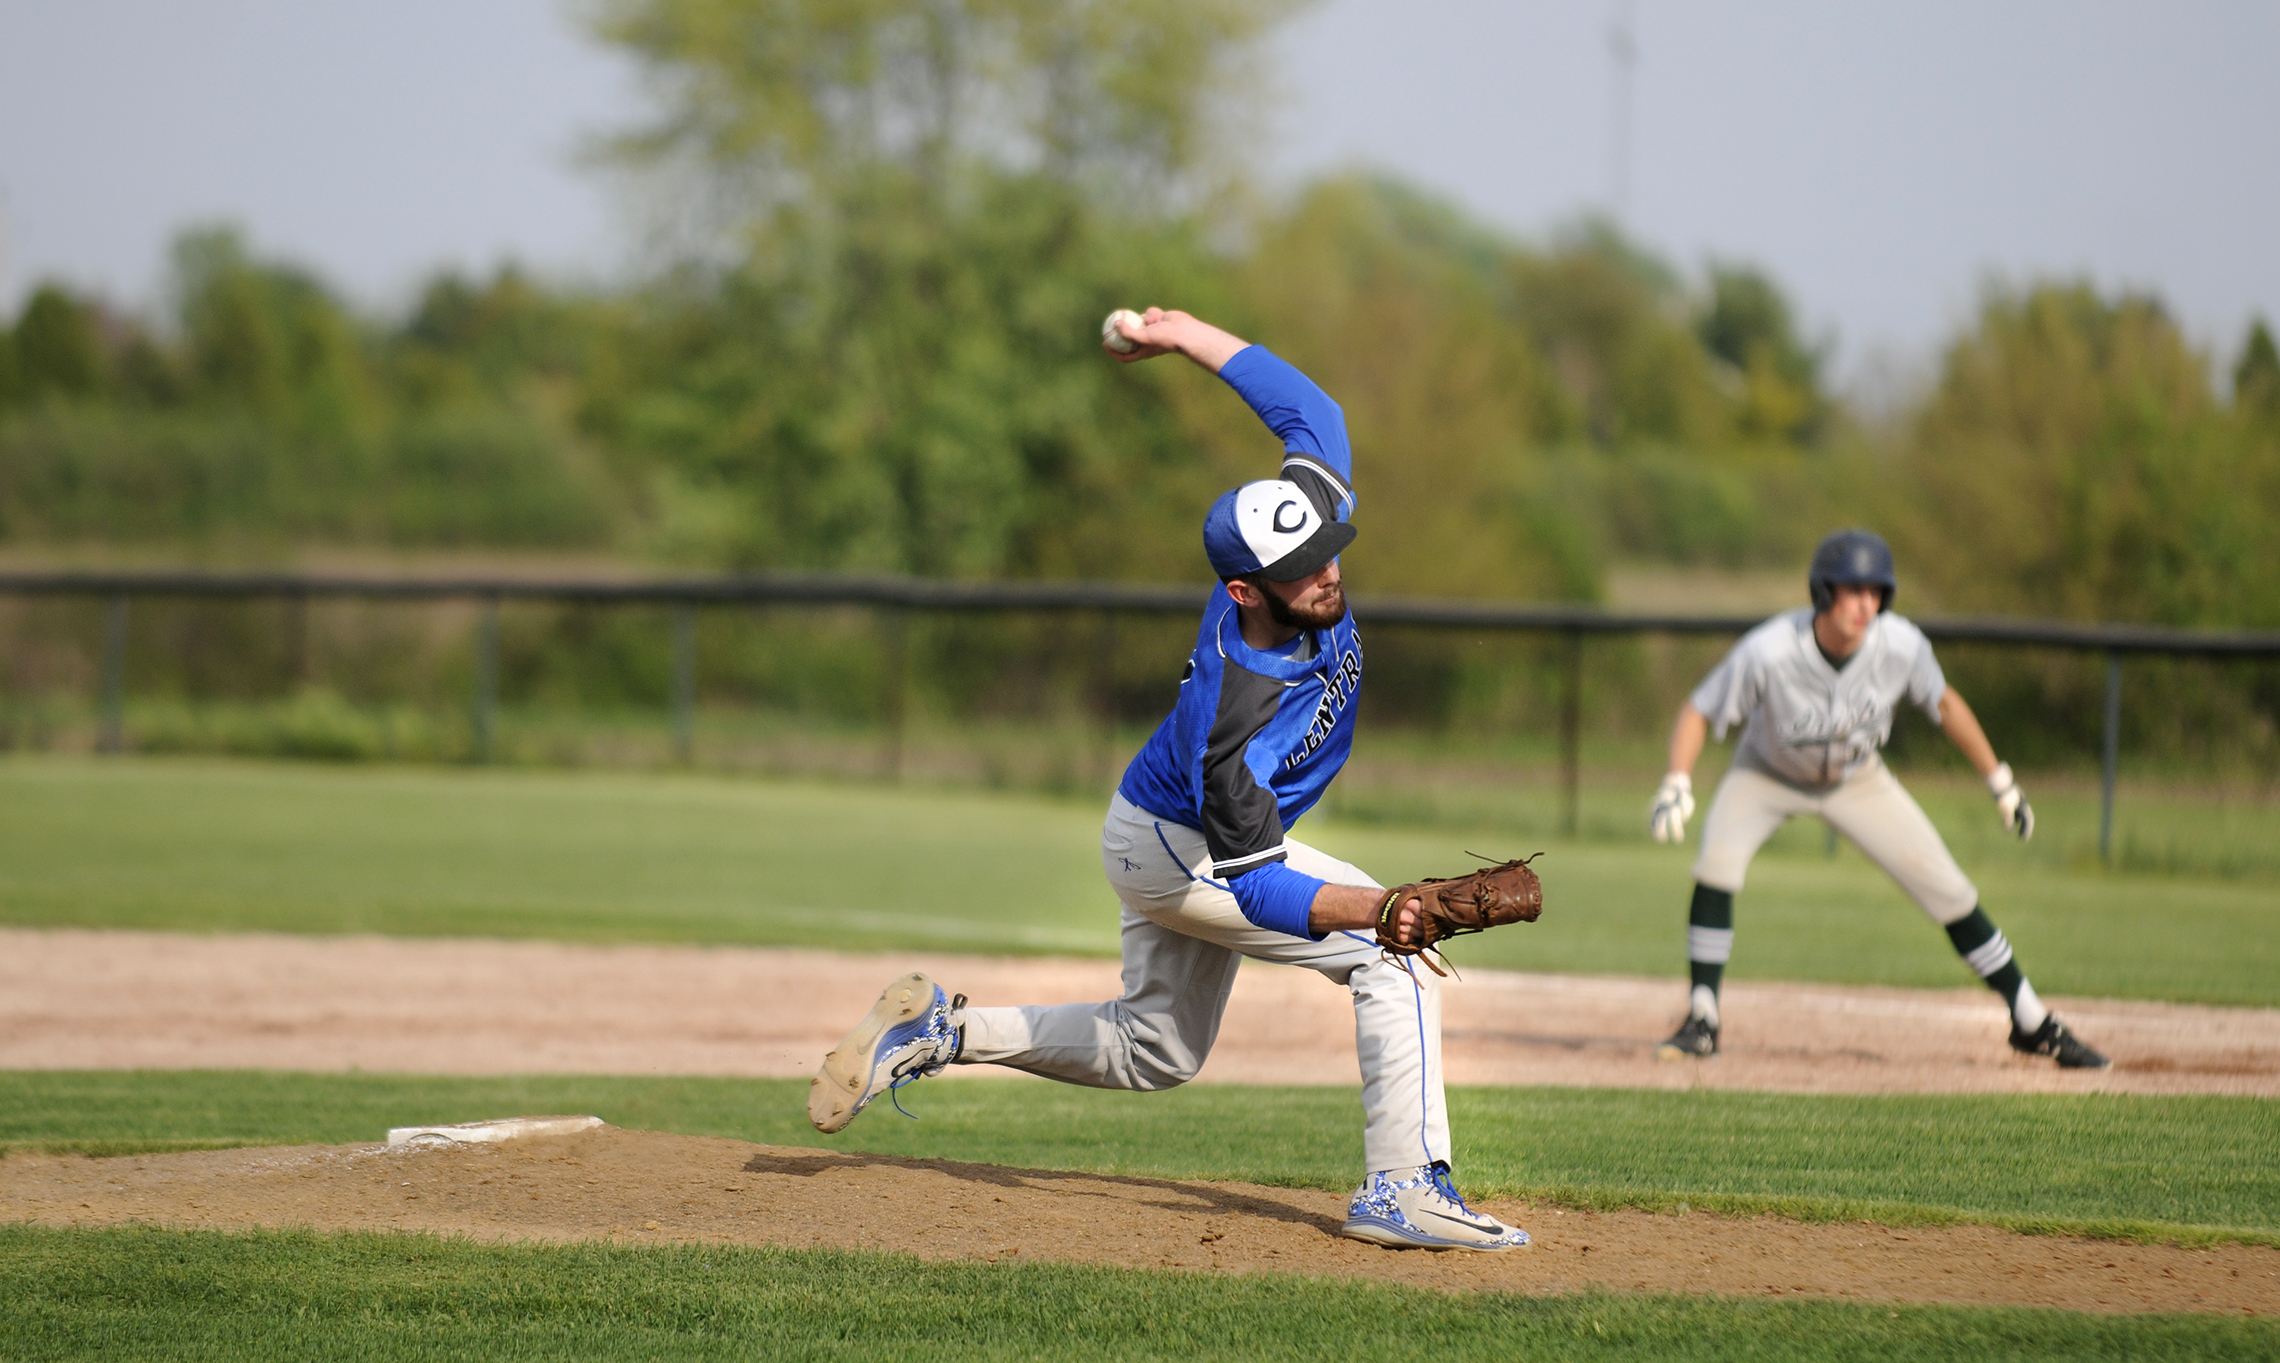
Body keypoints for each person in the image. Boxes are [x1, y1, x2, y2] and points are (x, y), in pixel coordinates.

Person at [805, 306, 1530, 1251]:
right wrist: (1381, 907)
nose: (1328, 573)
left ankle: (939, 1032)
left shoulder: (1297, 540)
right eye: (1302, 570)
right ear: (1243, 592)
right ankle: (1402, 1188)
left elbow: (1313, 413)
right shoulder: (1234, 718)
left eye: (1327, 549)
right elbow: (1258, 882)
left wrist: (1189, 338)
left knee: (1155, 1054)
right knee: (1389, 962)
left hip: (1156, 829)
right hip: (1185, 850)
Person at [1646, 530, 2108, 1069]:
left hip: (1856, 779)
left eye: (1876, 591)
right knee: (1716, 864)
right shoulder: (1770, 650)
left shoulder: (1900, 645)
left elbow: (1945, 704)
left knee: (1949, 889)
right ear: (1823, 592)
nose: (1867, 603)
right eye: (1853, 589)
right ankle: (1704, 1018)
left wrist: (1999, 779)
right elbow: (1700, 709)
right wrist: (1677, 779)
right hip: (1767, 772)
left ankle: (2030, 1019)